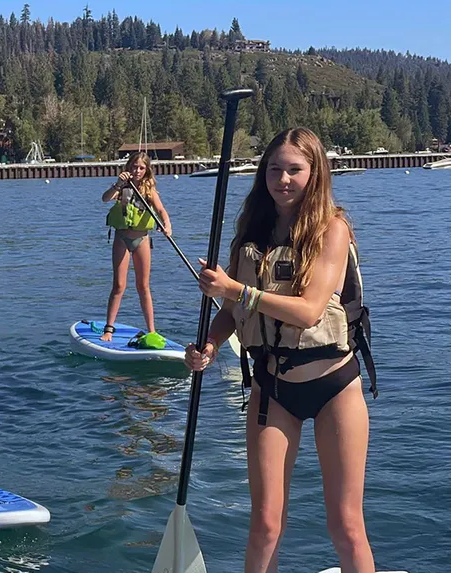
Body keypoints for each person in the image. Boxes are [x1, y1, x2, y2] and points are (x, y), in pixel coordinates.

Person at [185, 127, 376, 572]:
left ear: (315, 173)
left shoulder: (333, 229)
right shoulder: (254, 232)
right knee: (265, 524)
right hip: (272, 390)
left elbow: (309, 311)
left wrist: (235, 289)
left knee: (345, 525)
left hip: (333, 388)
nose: (284, 179)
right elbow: (233, 310)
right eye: (275, 169)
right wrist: (209, 346)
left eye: (295, 170)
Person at [100, 151, 172, 343]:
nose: (137, 170)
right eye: (134, 167)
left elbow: (161, 210)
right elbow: (105, 198)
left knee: (143, 286)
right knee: (119, 285)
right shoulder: (121, 186)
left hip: (142, 240)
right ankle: (109, 329)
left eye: (141, 167)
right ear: (128, 167)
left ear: (146, 169)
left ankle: (151, 330)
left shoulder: (149, 190)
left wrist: (166, 224)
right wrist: (118, 184)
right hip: (122, 238)